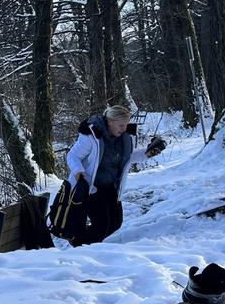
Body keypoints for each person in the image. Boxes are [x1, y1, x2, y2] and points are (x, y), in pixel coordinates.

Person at [66, 105, 166, 245]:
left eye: (125, 125)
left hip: (111, 186)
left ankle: (83, 242)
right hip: (90, 186)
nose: (123, 128)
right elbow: (72, 156)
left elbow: (128, 158)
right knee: (101, 224)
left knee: (115, 222)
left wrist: (147, 154)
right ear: (110, 121)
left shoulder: (125, 138)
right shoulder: (92, 136)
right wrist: (78, 173)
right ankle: (83, 248)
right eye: (120, 125)